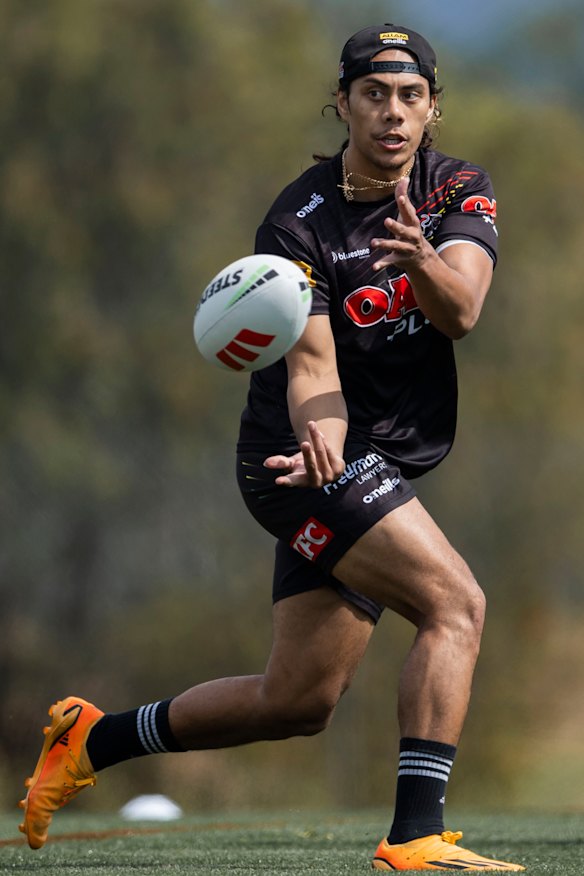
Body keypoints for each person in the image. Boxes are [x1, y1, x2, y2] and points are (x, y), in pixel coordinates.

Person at [18, 23, 524, 871]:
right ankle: (415, 838)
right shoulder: (299, 221)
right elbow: (311, 366)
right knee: (455, 605)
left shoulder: (458, 188)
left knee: (296, 700)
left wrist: (423, 259)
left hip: (377, 464)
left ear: (434, 108)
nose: (391, 114)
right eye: (373, 95)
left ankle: (91, 741)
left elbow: (462, 310)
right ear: (342, 102)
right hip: (299, 459)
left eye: (410, 97)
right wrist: (321, 438)